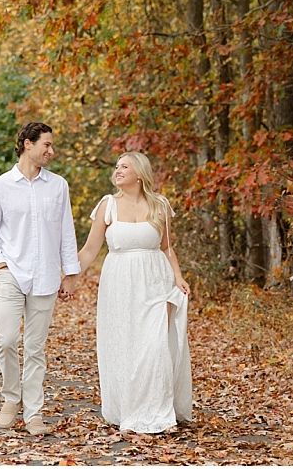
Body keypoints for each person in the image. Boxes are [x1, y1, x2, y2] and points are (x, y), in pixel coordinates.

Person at [73, 151, 192, 433]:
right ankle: (129, 408)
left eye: (124, 166)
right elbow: (90, 250)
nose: (117, 170)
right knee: (126, 345)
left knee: (156, 345)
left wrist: (177, 276)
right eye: (116, 166)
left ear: (139, 173)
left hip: (156, 281)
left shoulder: (160, 205)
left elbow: (166, 247)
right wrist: (69, 278)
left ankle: (160, 413)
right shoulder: (108, 205)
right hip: (119, 283)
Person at [0, 122, 81, 436]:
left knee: (35, 348)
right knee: (6, 340)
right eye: (46, 145)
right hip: (11, 274)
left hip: (47, 276)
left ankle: (34, 412)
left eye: (51, 145)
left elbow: (66, 232)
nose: (52, 151)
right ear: (26, 144)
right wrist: (1, 266)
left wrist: (71, 273)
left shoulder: (58, 186)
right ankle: (11, 397)